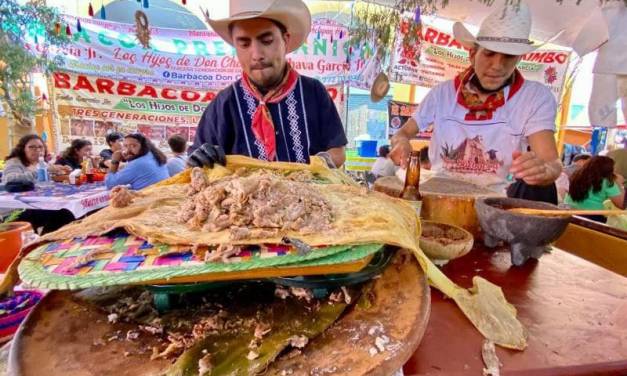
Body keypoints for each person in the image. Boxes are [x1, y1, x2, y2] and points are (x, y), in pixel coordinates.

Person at [390, 2, 562, 203]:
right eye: (489, 53)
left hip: (495, 206)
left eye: (509, 56)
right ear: (473, 54)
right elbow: (402, 133)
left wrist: (543, 171)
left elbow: (551, 162)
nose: (498, 65)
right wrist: (401, 142)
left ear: (519, 59)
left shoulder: (534, 97)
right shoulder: (442, 94)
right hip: (440, 199)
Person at [188, 0, 347, 169]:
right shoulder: (225, 102)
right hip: (245, 196)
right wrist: (199, 159)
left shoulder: (313, 91)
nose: (256, 55)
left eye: (267, 40)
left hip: (309, 193)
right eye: (244, 44)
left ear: (285, 40)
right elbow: (196, 162)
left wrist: (319, 166)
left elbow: (337, 150)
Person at [565, 156, 625, 223]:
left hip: (567, 211)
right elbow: (621, 205)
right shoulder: (607, 182)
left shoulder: (576, 175)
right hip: (591, 217)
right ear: (608, 169)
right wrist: (619, 184)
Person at [105, 133, 169, 190]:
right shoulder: (153, 155)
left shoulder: (138, 163)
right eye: (125, 146)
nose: (128, 150)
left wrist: (115, 161)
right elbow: (144, 181)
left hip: (151, 200)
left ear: (143, 146)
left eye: (133, 146)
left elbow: (110, 184)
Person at [2, 134, 70, 184]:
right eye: (31, 147)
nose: (37, 150)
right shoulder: (14, 162)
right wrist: (43, 171)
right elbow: (9, 179)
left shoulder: (41, 162)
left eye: (40, 147)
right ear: (23, 149)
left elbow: (45, 180)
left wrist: (60, 171)